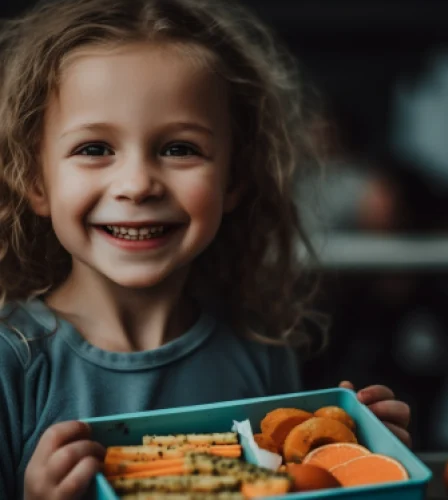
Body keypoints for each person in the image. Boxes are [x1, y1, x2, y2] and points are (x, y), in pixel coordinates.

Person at [0, 0, 411, 498]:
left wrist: (357, 467)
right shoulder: (12, 365)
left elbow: (285, 485)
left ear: (234, 179)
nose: (137, 184)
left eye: (180, 149)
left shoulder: (262, 353)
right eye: (94, 149)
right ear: (35, 181)